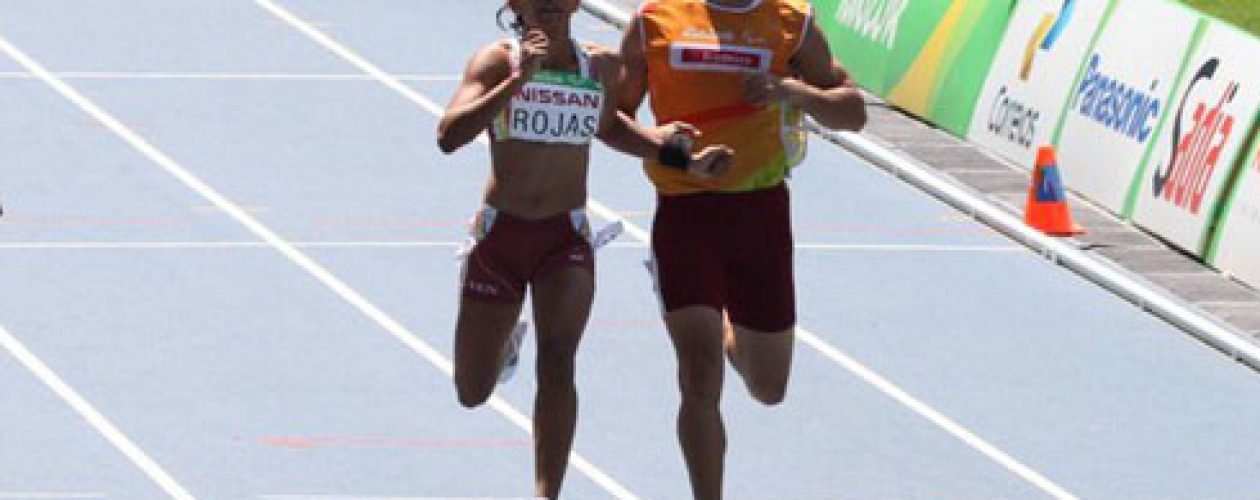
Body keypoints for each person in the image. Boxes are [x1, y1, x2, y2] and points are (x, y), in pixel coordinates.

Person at [436, 1, 731, 497]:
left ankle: (546, 492)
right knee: (473, 391)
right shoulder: (495, 62)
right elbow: (448, 135)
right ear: (515, 6)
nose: (549, 4)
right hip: (500, 237)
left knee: (558, 361)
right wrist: (518, 81)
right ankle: (507, 333)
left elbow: (612, 127)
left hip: (564, 238)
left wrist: (681, 156)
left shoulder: (599, 66)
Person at [614, 0, 866, 497]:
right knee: (699, 376)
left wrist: (792, 92)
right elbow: (612, 118)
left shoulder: (793, 23)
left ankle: (722, 317)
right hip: (685, 212)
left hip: (761, 215)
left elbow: (853, 114)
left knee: (768, 388)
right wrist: (666, 147)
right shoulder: (654, 20)